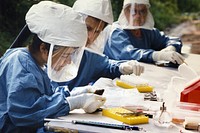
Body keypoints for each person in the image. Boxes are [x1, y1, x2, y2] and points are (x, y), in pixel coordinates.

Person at [0, 1, 106, 132]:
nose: (68, 62)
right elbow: (25, 112)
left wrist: (73, 94)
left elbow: (45, 98)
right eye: (64, 55)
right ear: (44, 49)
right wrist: (73, 103)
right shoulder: (20, 63)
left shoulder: (38, 65)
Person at [53, 0, 145, 91]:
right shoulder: (52, 49)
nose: (91, 37)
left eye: (97, 32)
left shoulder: (88, 55)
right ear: (74, 22)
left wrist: (122, 67)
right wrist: (71, 98)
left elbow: (107, 66)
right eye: (88, 28)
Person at [104, 0, 185, 65]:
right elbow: (126, 54)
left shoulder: (147, 31)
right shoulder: (116, 31)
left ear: (147, 13)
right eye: (133, 11)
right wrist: (157, 55)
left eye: (142, 11)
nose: (138, 16)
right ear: (125, 12)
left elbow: (172, 40)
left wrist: (171, 48)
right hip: (115, 80)